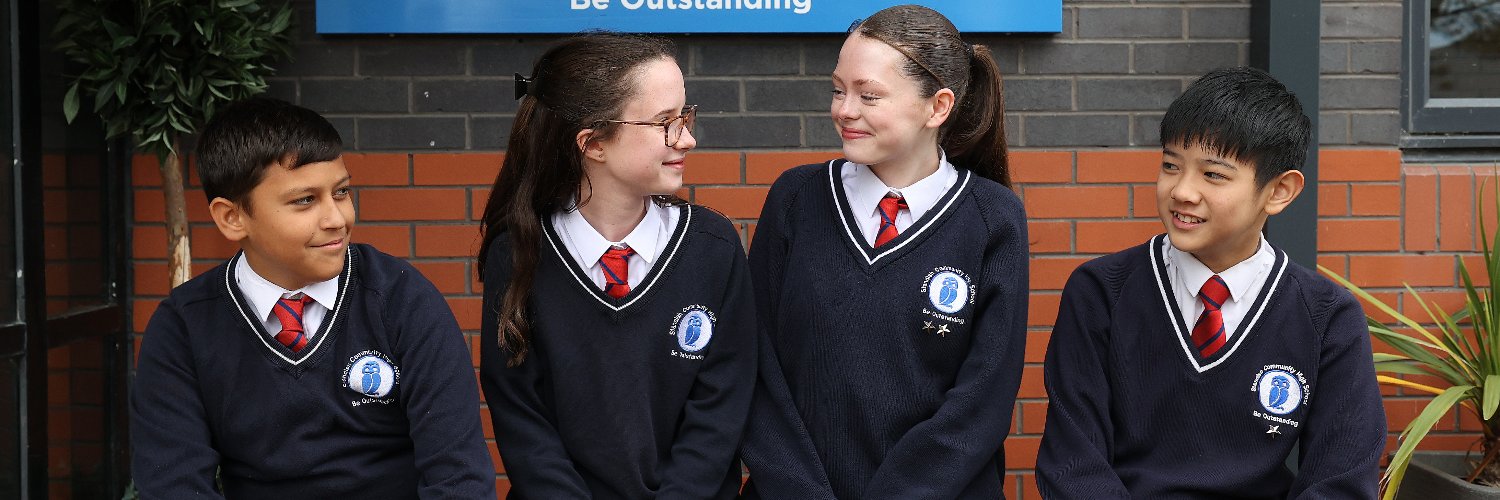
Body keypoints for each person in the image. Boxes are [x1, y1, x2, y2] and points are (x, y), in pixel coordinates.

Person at [1035, 66, 1386, 498]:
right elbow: (1073, 462)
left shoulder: (1327, 316)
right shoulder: (1100, 292)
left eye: (1213, 174)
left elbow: (1341, 480)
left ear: (1279, 191)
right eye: (1170, 165)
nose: (1182, 191)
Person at [130, 97, 495, 498]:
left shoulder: (402, 299)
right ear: (232, 218)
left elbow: (459, 478)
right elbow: (174, 487)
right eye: (304, 200)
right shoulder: (184, 327)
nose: (336, 219)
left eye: (341, 192)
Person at [739, 5, 1029, 499]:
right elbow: (755, 365)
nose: (844, 110)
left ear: (937, 107)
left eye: (868, 95)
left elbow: (983, 399)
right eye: (838, 89)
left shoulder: (993, 217)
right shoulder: (796, 198)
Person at [476, 32, 755, 499]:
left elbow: (721, 406)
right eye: (665, 121)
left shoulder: (713, 246)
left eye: (685, 116)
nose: (687, 138)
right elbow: (521, 416)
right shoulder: (520, 252)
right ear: (594, 143)